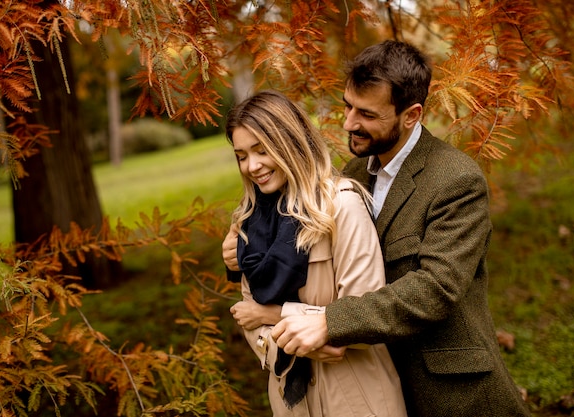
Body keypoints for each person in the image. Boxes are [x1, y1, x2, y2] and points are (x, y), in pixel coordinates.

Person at [223, 42, 531, 416]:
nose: (349, 122)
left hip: (442, 383)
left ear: (411, 115)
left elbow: (435, 288)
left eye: (366, 113)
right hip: (365, 374)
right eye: (348, 105)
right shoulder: (353, 175)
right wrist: (240, 257)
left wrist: (326, 321)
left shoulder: (455, 180)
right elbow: (305, 251)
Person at [224, 90, 407, 417]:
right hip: (289, 400)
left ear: (289, 142)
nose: (252, 166)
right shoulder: (247, 222)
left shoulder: (341, 206)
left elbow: (366, 317)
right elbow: (246, 314)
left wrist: (275, 314)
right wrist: (296, 343)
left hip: (354, 396)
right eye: (241, 155)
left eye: (261, 150)